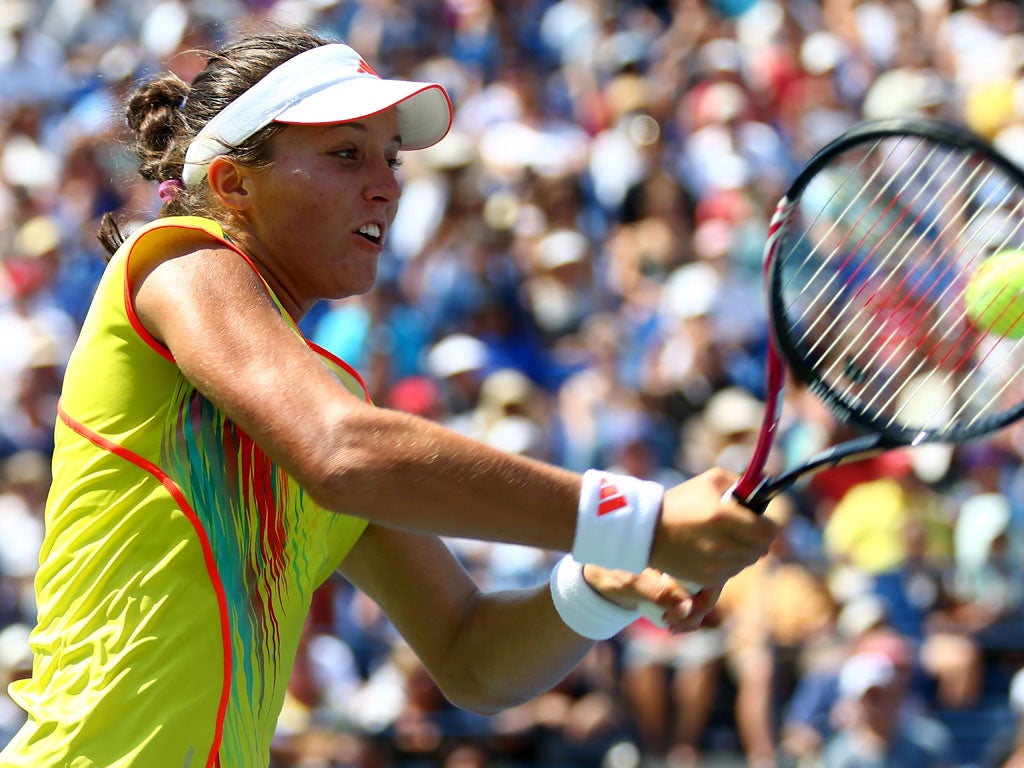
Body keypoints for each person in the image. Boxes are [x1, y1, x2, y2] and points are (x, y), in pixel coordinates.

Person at [0, 29, 776, 768]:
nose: (386, 186)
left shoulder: (330, 400)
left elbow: (472, 658)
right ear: (233, 185)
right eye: (345, 154)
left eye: (391, 159)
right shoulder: (178, 261)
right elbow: (342, 451)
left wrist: (597, 586)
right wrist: (632, 523)